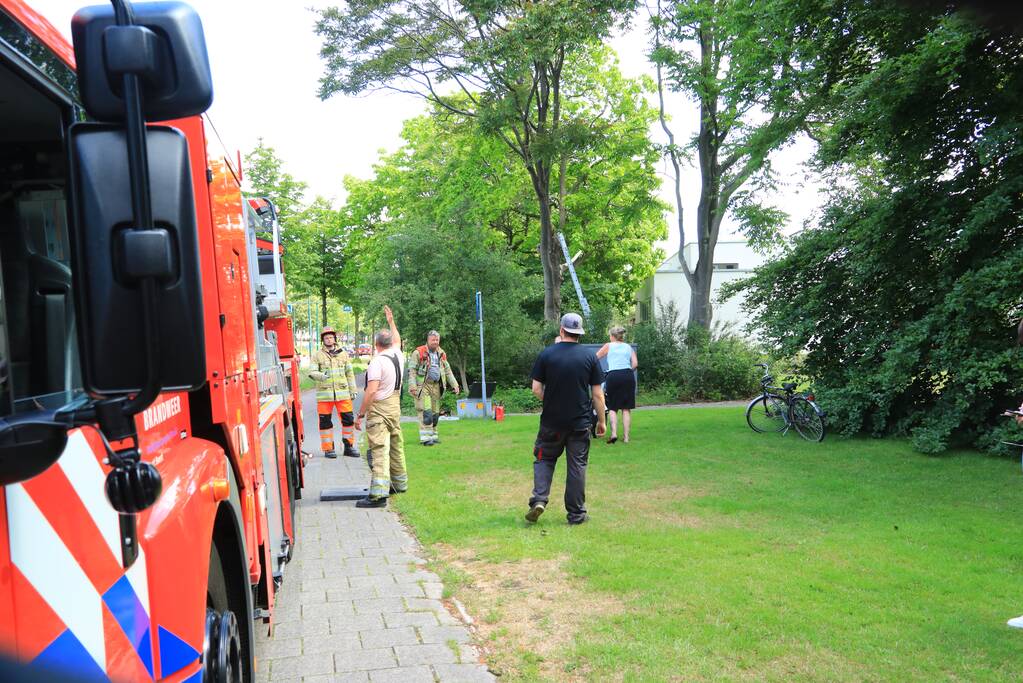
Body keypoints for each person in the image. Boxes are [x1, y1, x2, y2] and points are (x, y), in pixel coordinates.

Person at [525, 312, 606, 525]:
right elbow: (597, 394)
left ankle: (539, 500)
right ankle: (577, 515)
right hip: (579, 423)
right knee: (577, 466)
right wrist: (602, 421)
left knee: (544, 458)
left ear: (561, 330)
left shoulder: (547, 354)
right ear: (579, 333)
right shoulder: (590, 357)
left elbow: (536, 388)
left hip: (551, 422)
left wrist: (550, 400)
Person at [354, 306, 406, 508]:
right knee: (396, 445)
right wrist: (391, 321)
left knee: (378, 449)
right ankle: (399, 484)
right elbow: (398, 340)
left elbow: (371, 391)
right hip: (395, 406)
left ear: (376, 345)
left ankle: (378, 495)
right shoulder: (398, 355)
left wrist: (361, 414)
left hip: (380, 409)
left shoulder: (377, 362)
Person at [309, 325, 359, 459]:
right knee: (325, 422)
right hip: (324, 396)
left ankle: (349, 447)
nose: (329, 340)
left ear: (335, 339)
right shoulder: (317, 355)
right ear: (323, 340)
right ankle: (328, 449)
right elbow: (312, 372)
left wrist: (353, 389)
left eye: (331, 337)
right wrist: (321, 376)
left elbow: (349, 373)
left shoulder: (343, 354)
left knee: (348, 421)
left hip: (343, 394)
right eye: (326, 338)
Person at [408, 330, 460, 446]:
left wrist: (455, 384)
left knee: (435, 413)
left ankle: (433, 436)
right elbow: (411, 371)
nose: (435, 342)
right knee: (426, 412)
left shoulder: (441, 353)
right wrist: (412, 386)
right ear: (428, 340)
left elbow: (447, 370)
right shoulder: (418, 352)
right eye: (433, 340)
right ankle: (425, 438)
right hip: (423, 386)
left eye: (437, 340)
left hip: (437, 386)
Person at [596, 326, 639, 444]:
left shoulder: (608, 345)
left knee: (612, 407)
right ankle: (626, 438)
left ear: (612, 336)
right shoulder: (628, 347)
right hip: (627, 375)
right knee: (626, 408)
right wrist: (627, 371)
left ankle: (614, 434)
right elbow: (635, 363)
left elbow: (595, 358)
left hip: (613, 376)